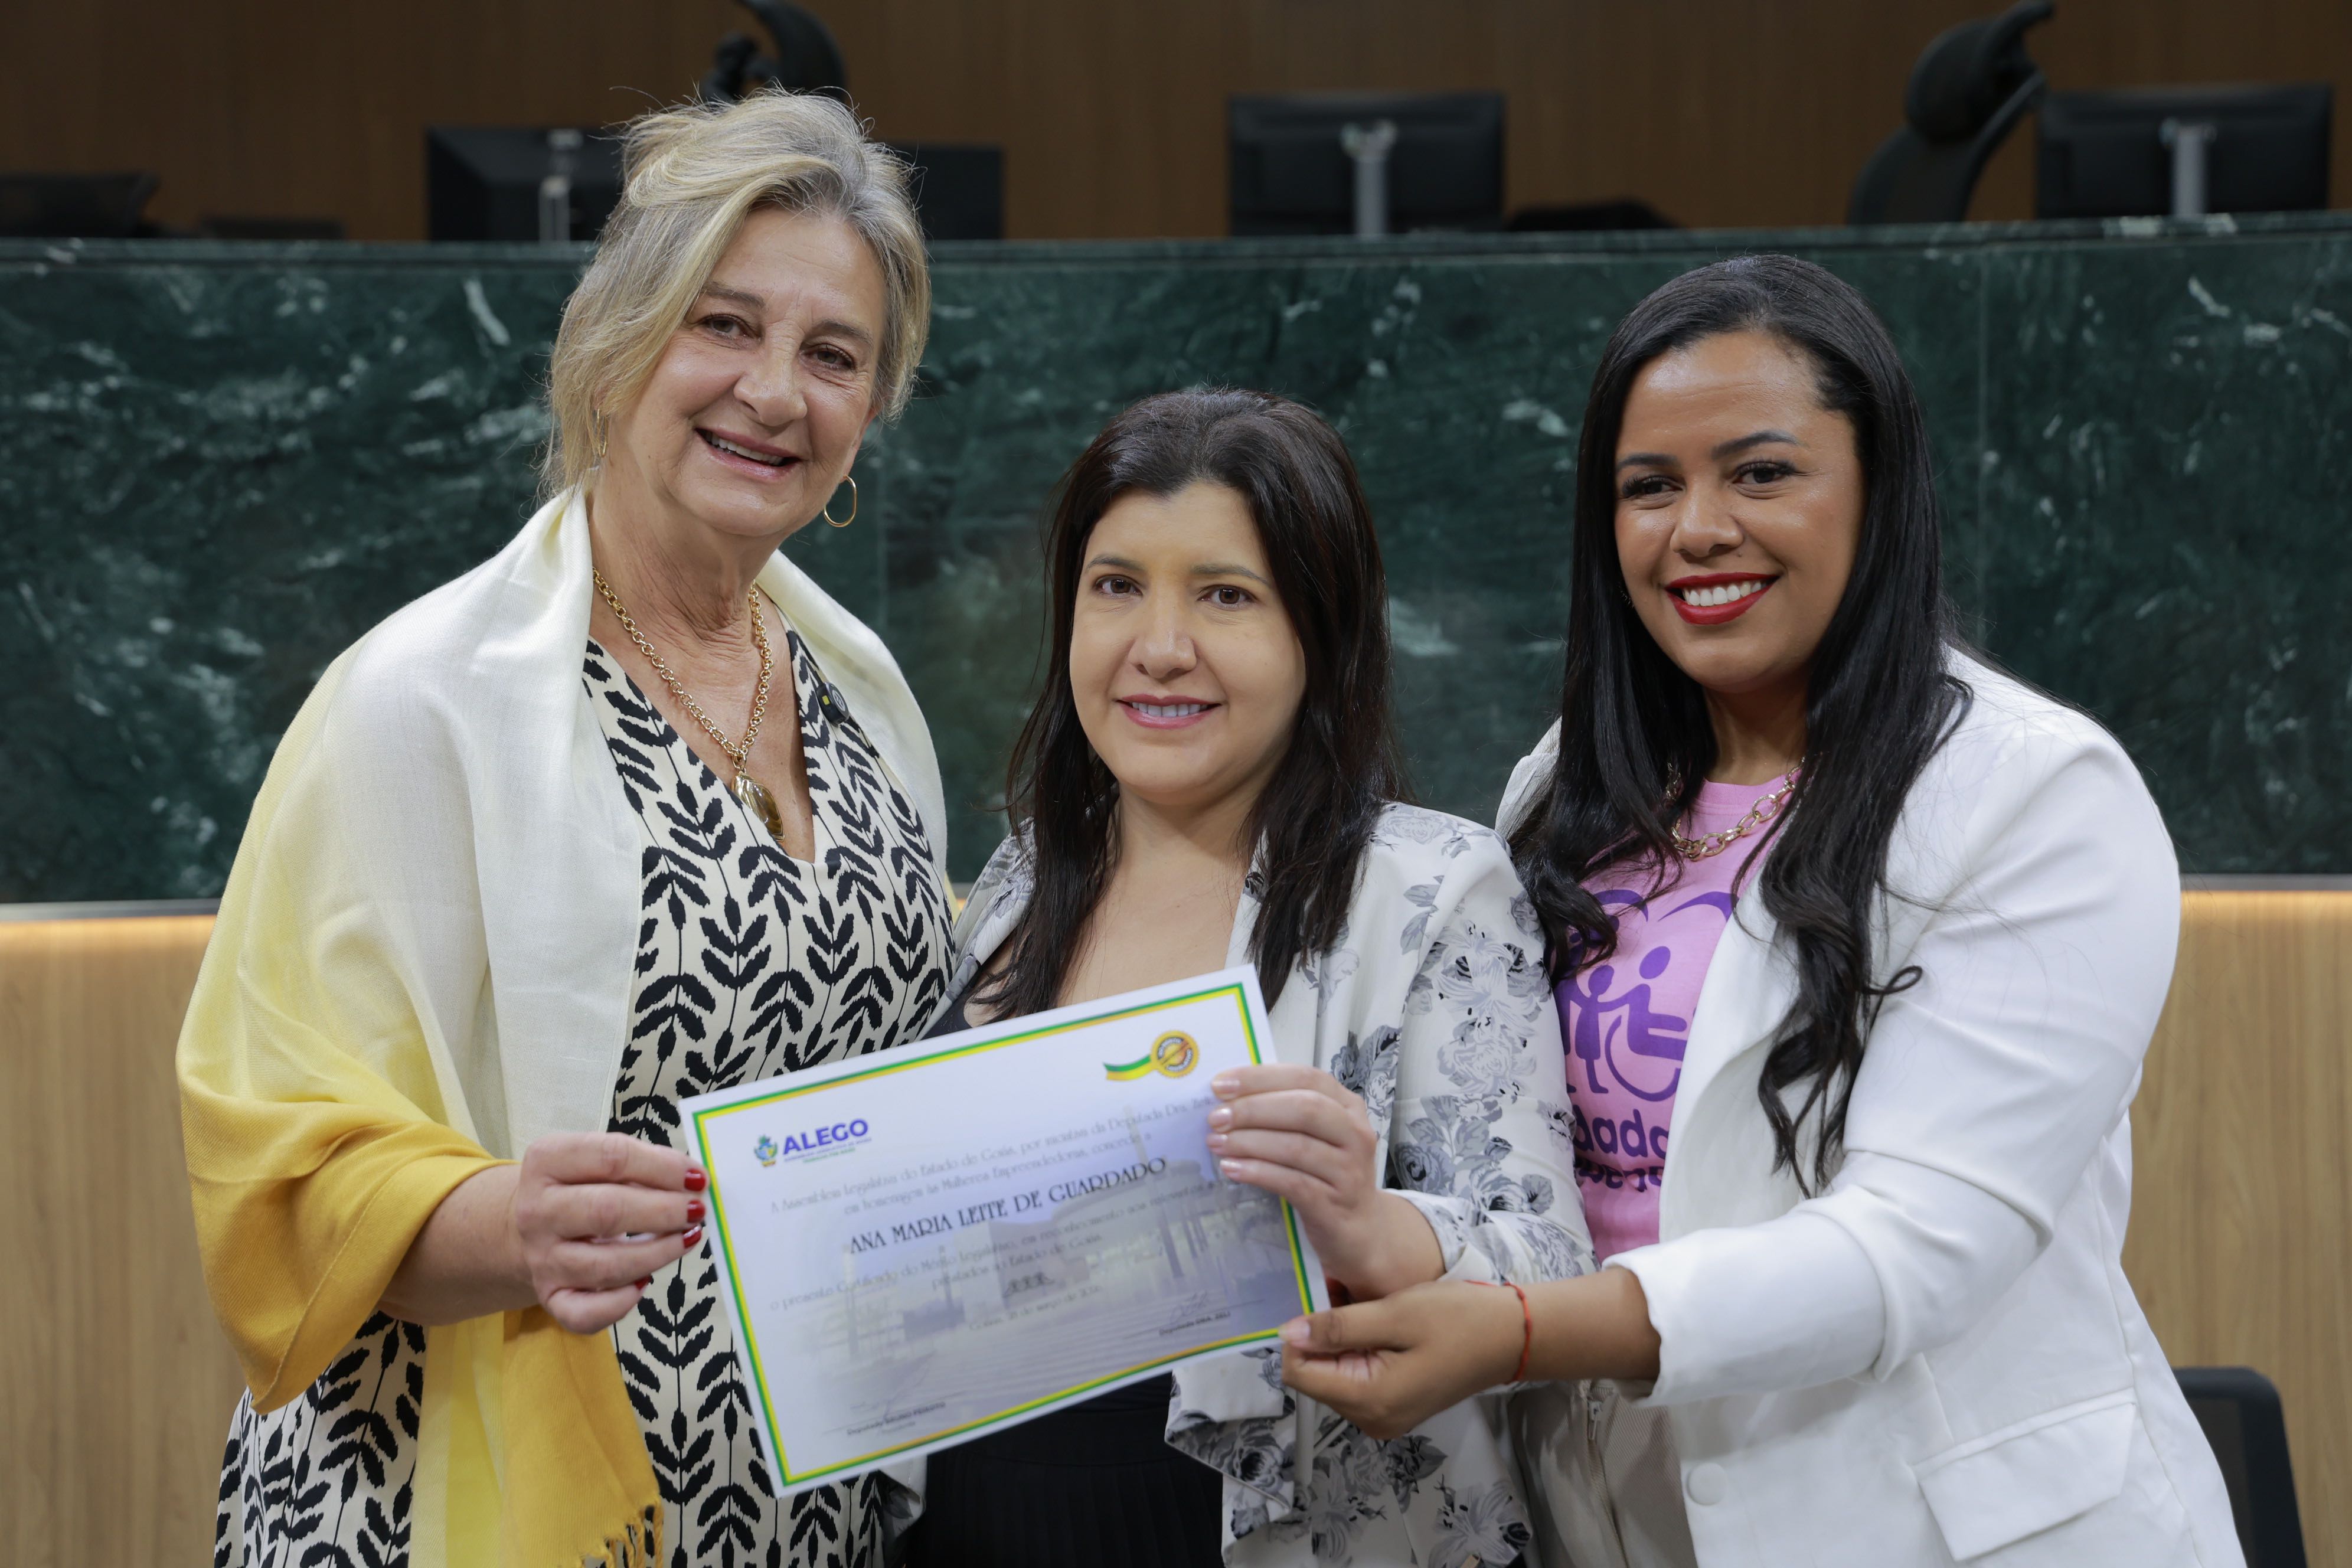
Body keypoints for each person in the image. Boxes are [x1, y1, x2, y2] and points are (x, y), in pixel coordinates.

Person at [1277, 256, 2241, 1567]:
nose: (1699, 529)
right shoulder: (1563, 789)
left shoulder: (2038, 794)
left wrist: (1517, 1331)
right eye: (1648, 487)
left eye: (1762, 473)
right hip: (1619, 1516)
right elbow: (1519, 1177)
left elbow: (1914, 1247)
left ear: (1880, 489)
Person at [183, 91, 952, 1568]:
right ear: (614, 346)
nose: (774, 392)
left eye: (833, 354)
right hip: (471, 1500)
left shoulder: (864, 693)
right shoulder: (423, 699)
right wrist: (499, 1224)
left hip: (801, 1504)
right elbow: (276, 1160)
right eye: (724, 324)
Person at [898, 388, 1592, 1567]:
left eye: (1225, 595)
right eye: (1117, 586)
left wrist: (1369, 1221)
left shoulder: (1430, 887)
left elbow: (1553, 1268)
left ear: (1322, 631)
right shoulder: (1024, 873)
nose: (1160, 645)